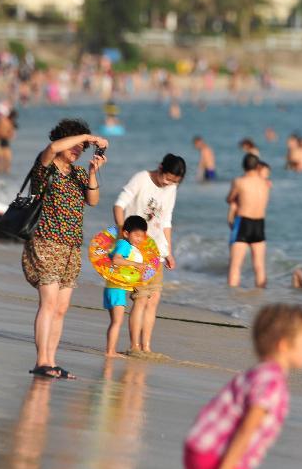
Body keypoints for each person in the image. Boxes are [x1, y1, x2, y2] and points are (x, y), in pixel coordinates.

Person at [184, 304, 302, 469]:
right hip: (215, 457)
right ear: (284, 345)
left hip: (202, 451)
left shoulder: (260, 372)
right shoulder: (272, 380)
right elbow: (247, 427)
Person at [24, 119, 108, 379]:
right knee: (48, 304)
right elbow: (52, 148)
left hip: (71, 248)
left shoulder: (79, 174)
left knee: (61, 309)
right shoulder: (45, 167)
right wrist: (87, 136)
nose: (78, 150)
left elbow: (93, 201)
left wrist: (93, 172)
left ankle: (51, 360)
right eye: (76, 144)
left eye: (81, 147)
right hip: (45, 242)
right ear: (66, 140)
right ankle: (41, 361)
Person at [114, 154, 186, 354]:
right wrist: (123, 234)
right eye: (168, 178)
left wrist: (169, 252)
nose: (169, 183)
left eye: (174, 181)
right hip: (137, 250)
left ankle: (146, 346)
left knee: (153, 300)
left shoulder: (171, 188)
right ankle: (134, 346)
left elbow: (166, 220)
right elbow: (119, 204)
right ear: (161, 167)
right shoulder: (141, 179)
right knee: (140, 298)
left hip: (157, 252)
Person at [103, 216, 148, 358]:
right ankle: (110, 351)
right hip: (117, 288)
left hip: (114, 287)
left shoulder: (129, 246)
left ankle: (110, 350)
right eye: (136, 235)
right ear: (126, 233)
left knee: (115, 321)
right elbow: (116, 259)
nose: (139, 239)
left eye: (142, 236)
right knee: (117, 321)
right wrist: (136, 265)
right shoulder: (124, 245)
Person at [227, 154, 271, 288]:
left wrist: (234, 204)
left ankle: (232, 299)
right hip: (259, 224)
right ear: (257, 166)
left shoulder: (239, 181)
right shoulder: (266, 183)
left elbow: (230, 198)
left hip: (243, 223)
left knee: (235, 266)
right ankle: (261, 298)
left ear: (243, 166)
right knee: (259, 266)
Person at [0, 105, 17, 175]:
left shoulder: (11, 123)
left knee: (8, 158)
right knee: (0, 158)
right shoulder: (3, 120)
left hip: (5, 140)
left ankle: (6, 174)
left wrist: (10, 134)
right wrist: (7, 135)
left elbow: (12, 134)